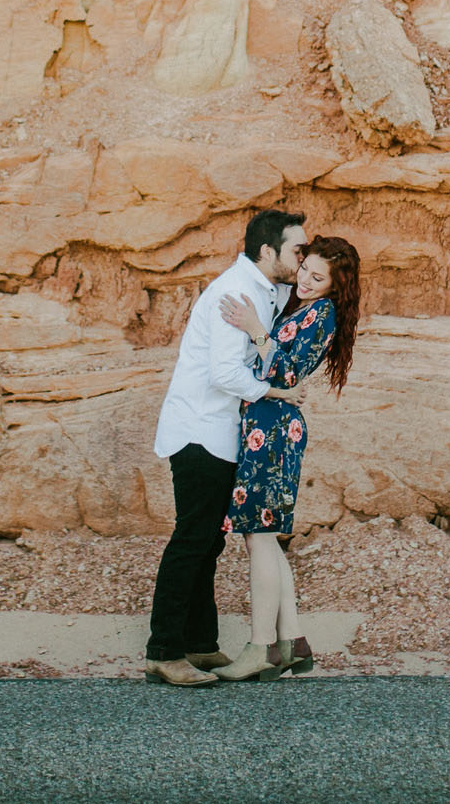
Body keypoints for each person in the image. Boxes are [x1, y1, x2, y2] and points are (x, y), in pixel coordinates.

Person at [142, 208, 306, 687]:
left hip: (220, 433)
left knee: (209, 542)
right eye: (296, 249)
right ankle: (163, 651)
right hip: (199, 430)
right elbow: (225, 373)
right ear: (267, 251)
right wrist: (277, 392)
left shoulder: (267, 291)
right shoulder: (236, 292)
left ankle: (199, 644)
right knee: (192, 539)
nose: (302, 257)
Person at [208, 233, 363, 682]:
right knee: (266, 536)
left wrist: (255, 327)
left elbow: (287, 371)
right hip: (266, 422)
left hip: (274, 428)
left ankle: (260, 648)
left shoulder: (324, 313)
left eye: (319, 278)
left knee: (258, 534)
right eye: (304, 271)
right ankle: (292, 641)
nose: (306, 282)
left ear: (336, 286)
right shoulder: (301, 306)